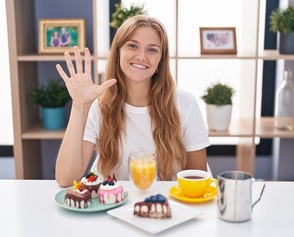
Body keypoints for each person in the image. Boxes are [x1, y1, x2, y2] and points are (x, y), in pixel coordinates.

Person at [55, 15, 210, 187]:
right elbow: (65, 179)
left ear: (161, 59)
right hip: (113, 206)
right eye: (133, 46)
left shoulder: (185, 104)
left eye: (152, 50)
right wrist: (79, 105)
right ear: (118, 51)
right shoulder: (99, 106)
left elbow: (198, 181)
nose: (142, 56)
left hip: (166, 206)